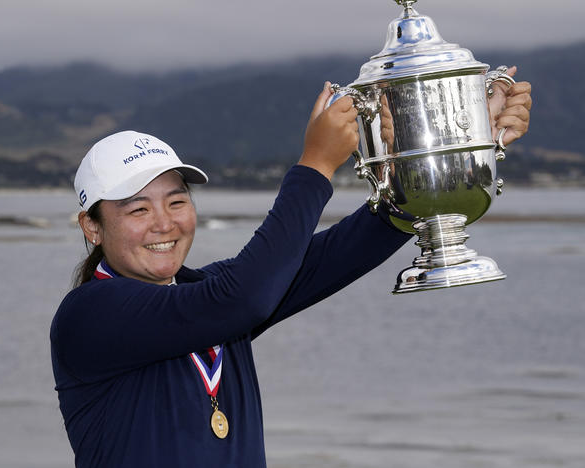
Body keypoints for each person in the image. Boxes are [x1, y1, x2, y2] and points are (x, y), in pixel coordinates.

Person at [50, 75, 532, 467]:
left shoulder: (206, 293)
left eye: (177, 201)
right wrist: (316, 165)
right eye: (137, 211)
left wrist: (452, 154)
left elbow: (340, 252)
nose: (165, 224)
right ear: (91, 227)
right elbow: (246, 297)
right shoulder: (90, 314)